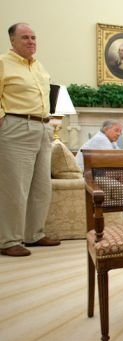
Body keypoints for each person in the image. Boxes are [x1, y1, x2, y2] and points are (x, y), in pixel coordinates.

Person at [0, 23, 61, 257]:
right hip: (16, 127)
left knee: (41, 187)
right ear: (12, 41)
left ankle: (33, 234)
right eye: (25, 37)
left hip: (43, 127)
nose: (31, 41)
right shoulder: (3, 63)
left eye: (33, 37)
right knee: (15, 187)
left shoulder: (38, 66)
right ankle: (9, 240)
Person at [76, 120, 123, 221]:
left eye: (120, 131)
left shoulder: (109, 141)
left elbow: (120, 155)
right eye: (116, 130)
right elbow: (114, 160)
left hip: (96, 171)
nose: (119, 134)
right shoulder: (100, 139)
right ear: (106, 129)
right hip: (87, 174)